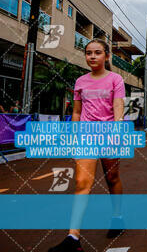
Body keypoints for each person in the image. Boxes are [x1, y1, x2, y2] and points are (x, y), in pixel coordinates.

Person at [48, 39, 125, 252]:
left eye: (97, 52)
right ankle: (73, 238)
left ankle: (117, 218)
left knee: (112, 178)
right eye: (89, 53)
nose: (92, 56)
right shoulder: (80, 81)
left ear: (106, 56)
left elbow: (118, 106)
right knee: (82, 182)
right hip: (86, 137)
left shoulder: (115, 79)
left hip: (109, 136)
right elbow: (76, 112)